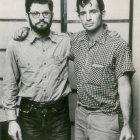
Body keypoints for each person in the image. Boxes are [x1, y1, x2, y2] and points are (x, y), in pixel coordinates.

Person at [12, 0, 135, 140]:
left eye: (93, 11)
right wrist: (27, 30)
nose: (88, 18)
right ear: (79, 16)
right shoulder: (75, 40)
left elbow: (124, 85)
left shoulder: (118, 45)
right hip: (80, 115)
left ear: (103, 13)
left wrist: (127, 124)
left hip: (105, 117)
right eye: (83, 13)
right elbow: (46, 34)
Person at [2, 0, 71, 140]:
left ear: (52, 14)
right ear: (27, 15)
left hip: (59, 116)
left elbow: (90, 44)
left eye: (45, 13)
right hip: (29, 116)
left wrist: (111, 36)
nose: (41, 17)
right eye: (35, 13)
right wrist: (12, 120)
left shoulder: (65, 41)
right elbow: (10, 85)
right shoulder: (15, 45)